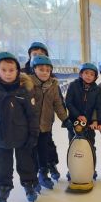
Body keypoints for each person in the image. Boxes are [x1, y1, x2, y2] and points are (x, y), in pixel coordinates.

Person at [0, 52, 39, 202]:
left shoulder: (24, 89)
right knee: (3, 165)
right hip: (1, 135)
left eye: (11, 70)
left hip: (22, 135)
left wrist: (33, 135)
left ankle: (29, 184)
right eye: (4, 70)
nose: (8, 73)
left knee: (26, 162)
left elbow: (32, 115)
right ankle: (3, 189)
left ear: (17, 70)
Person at [29, 55, 73, 189]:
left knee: (43, 150)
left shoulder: (53, 85)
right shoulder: (27, 83)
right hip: (29, 127)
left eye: (47, 70)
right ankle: (32, 177)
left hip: (45, 126)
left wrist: (65, 119)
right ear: (34, 69)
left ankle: (43, 173)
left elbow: (58, 104)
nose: (44, 72)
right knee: (31, 152)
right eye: (41, 69)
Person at [21, 41, 62, 181]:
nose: (37, 56)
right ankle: (36, 171)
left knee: (48, 144)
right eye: (34, 54)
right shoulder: (23, 75)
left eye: (41, 54)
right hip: (30, 122)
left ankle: (51, 165)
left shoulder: (50, 76)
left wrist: (65, 117)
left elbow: (57, 100)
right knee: (32, 146)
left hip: (45, 120)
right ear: (29, 56)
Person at [65, 62, 101, 178]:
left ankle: (91, 168)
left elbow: (99, 106)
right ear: (81, 74)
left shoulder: (97, 90)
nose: (88, 76)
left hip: (89, 124)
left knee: (90, 146)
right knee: (73, 146)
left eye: (91, 74)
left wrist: (97, 121)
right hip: (75, 123)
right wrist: (77, 115)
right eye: (86, 73)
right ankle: (72, 169)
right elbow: (68, 102)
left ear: (95, 77)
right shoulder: (73, 85)